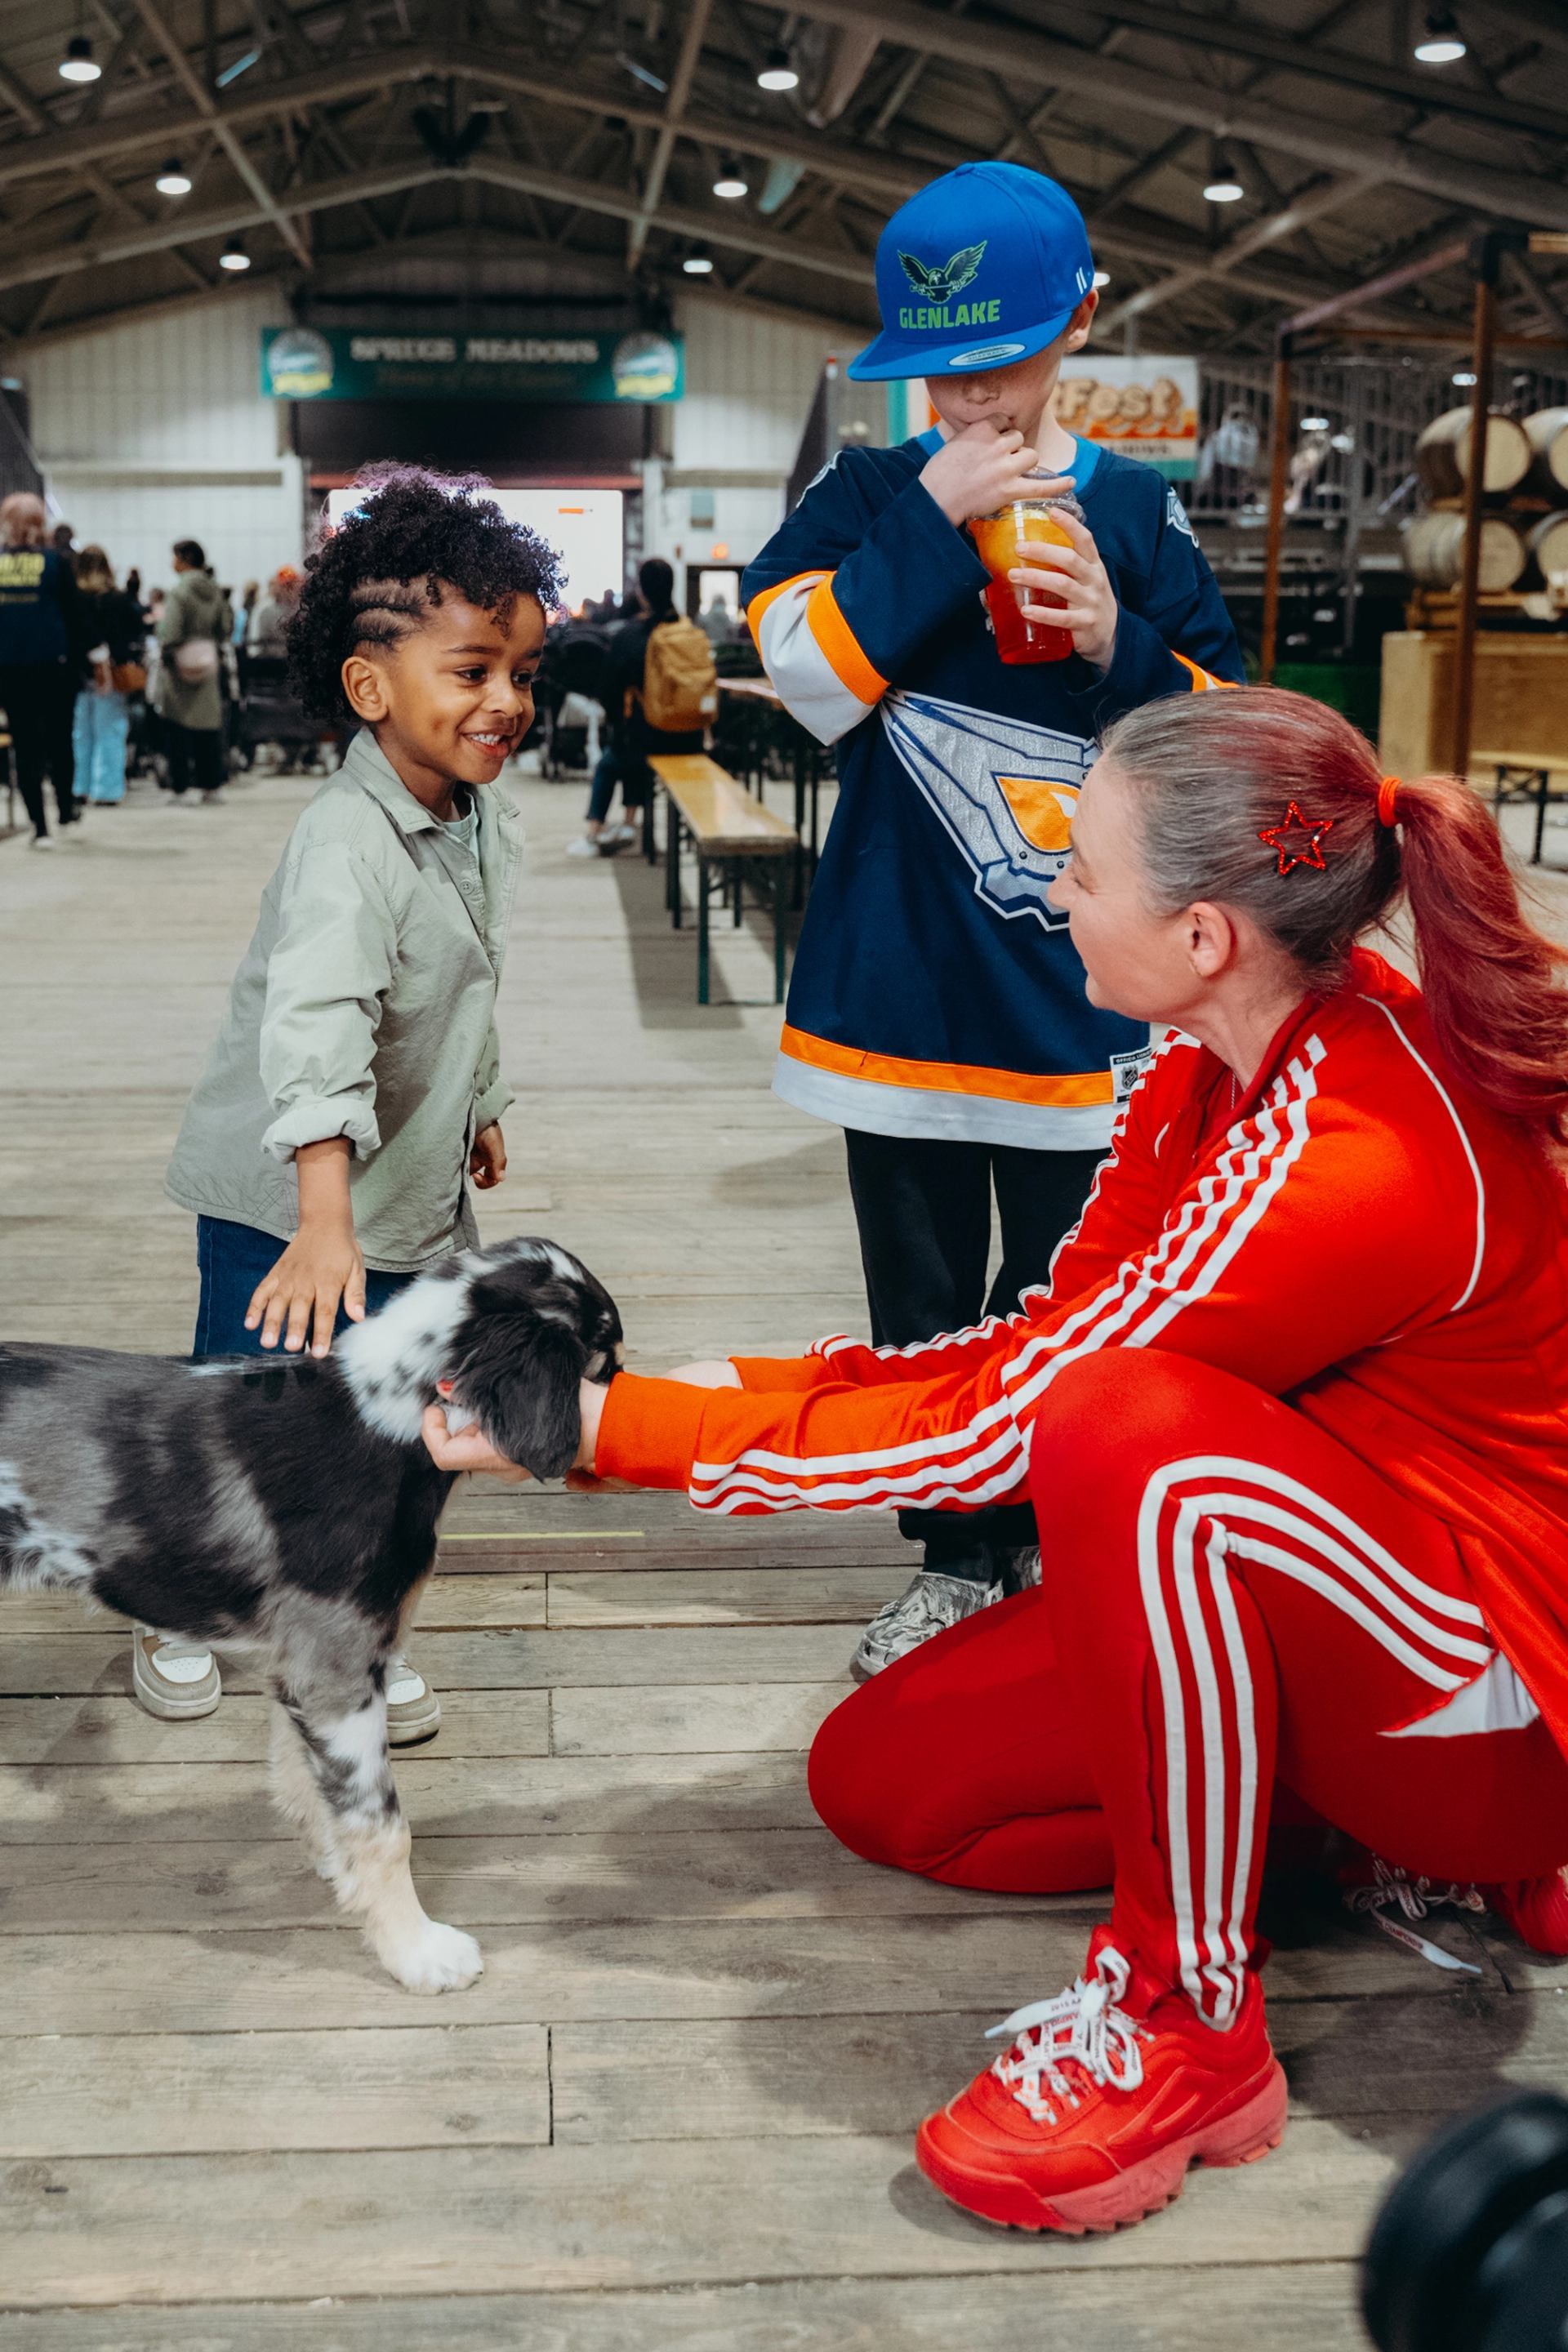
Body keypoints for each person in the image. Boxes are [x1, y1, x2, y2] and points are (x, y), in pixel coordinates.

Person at [425, 685, 1568, 2239]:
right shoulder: (1213, 1064)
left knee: (1127, 1436)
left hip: (1491, 1707)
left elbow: (1021, 1425)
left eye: (1081, 867)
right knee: (890, 1788)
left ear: (1206, 935)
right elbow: (1016, 1344)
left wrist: (615, 1436)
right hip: (1356, 1612)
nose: (1051, 891)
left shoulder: (1350, 1147)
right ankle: (1316, 1826)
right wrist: (655, 1395)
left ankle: (1187, 2021)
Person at [741, 160, 1245, 1677]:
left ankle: (1053, 1543)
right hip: (892, 993)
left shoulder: (1135, 509)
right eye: (938, 374)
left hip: (1077, 1007)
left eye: (1002, 365)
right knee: (919, 1309)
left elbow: (1231, 741)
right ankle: (955, 1560)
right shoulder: (868, 496)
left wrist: (1121, 647)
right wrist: (928, 522)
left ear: (1079, 324)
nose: (972, 401)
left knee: (1070, 1298)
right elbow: (803, 680)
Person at [154, 465, 561, 1738]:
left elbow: (469, 979)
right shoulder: (347, 843)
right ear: (370, 687)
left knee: (382, 1419)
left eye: (523, 674)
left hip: (402, 1189)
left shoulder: (476, 817)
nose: (508, 702)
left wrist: (480, 1100)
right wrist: (318, 1221)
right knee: (249, 1413)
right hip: (291, 1198)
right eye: (474, 670)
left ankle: (340, 1630)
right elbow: (318, 1031)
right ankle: (180, 1607)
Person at [567, 556, 713, 859]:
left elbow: (607, 690)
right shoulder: (690, 632)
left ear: (642, 592)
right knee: (631, 743)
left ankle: (595, 833)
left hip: (645, 740)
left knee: (611, 761)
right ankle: (630, 823)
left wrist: (620, 723)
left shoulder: (630, 636)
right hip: (690, 739)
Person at [0, 489, 81, 848]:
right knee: (60, 738)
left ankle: (40, 827)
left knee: (27, 744)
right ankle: (64, 806)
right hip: (54, 666)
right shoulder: (55, 563)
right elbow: (74, 616)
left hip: (11, 668)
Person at [155, 538, 229, 805]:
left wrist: (163, 639)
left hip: (181, 665)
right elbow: (225, 626)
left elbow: (172, 629)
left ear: (185, 559)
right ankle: (212, 785)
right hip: (208, 660)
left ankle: (181, 788)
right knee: (209, 726)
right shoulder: (215, 589)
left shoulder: (179, 592)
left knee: (178, 724)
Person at [72, 545, 145, 806]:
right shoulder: (118, 599)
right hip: (114, 673)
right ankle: (107, 789)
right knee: (111, 730)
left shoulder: (74, 599)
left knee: (80, 733)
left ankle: (79, 786)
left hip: (78, 674)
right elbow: (136, 630)